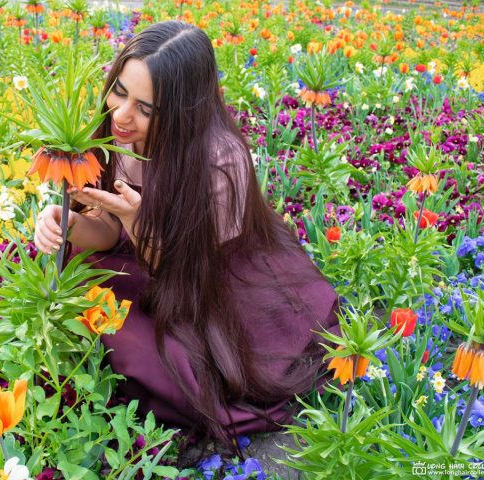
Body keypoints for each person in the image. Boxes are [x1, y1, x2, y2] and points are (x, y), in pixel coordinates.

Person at [33, 20, 339, 446]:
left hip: (208, 280)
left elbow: (189, 274)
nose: (121, 115)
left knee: (166, 365)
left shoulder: (219, 161)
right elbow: (105, 230)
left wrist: (136, 224)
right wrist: (67, 222)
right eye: (119, 91)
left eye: (146, 109)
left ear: (183, 112)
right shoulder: (116, 131)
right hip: (139, 248)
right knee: (71, 291)